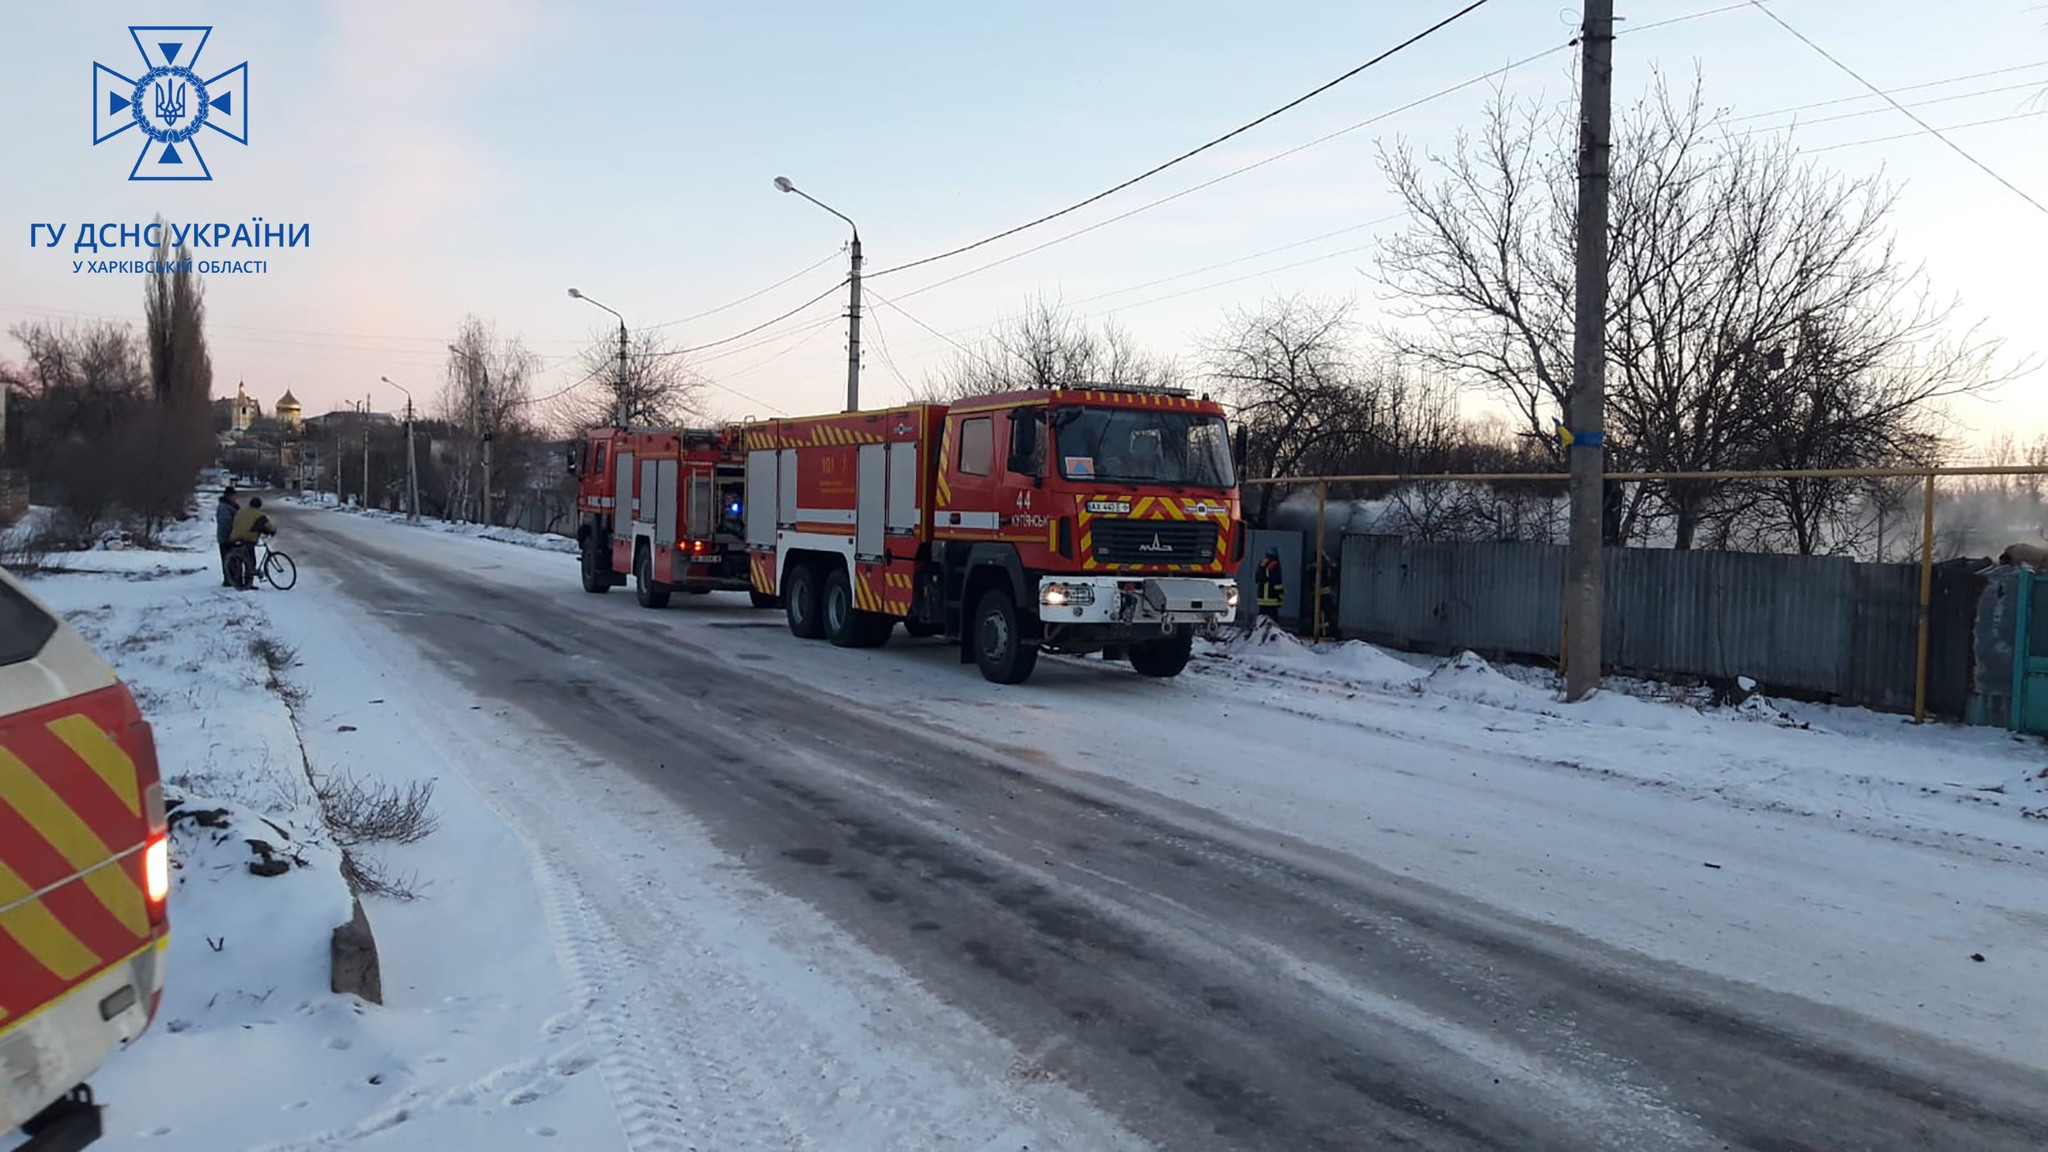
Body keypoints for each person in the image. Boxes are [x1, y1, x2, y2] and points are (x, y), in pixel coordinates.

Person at [228, 496, 276, 590]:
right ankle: (248, 584)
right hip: (248, 539)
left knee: (240, 560)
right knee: (251, 561)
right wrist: (272, 531)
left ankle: (238, 582)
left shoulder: (241, 511)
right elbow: (269, 526)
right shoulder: (259, 514)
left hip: (234, 538)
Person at [215, 486, 240, 587]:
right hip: (226, 538)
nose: (235, 498)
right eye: (234, 496)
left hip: (232, 537)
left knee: (233, 559)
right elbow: (226, 523)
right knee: (227, 559)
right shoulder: (224, 507)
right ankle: (229, 580)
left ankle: (234, 578)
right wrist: (231, 536)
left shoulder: (231, 506)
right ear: (229, 496)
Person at [1255, 546, 1284, 621]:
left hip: (1261, 599)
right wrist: (1280, 595)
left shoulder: (1262, 563)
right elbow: (1277, 582)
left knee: (1262, 620)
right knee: (1272, 620)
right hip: (1272, 598)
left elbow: (1257, 578)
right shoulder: (1275, 564)